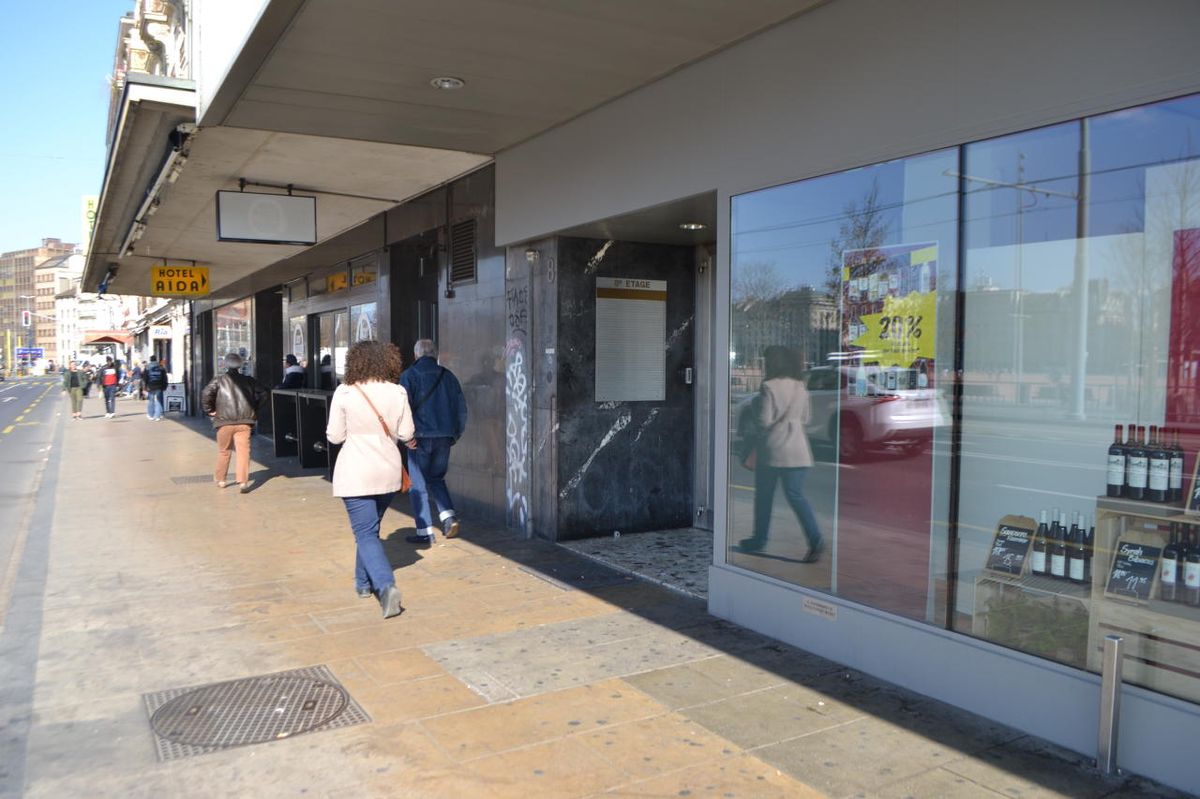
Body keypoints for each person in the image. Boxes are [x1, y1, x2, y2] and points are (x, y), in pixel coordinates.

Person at [325, 340, 414, 619]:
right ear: (389, 362)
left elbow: (335, 436)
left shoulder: (345, 392)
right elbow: (406, 432)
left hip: (356, 470)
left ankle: (386, 587)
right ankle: (363, 584)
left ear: (356, 362)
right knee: (370, 530)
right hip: (388, 468)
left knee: (364, 532)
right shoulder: (398, 392)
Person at [737, 345, 823, 562]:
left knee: (764, 497)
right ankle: (815, 540)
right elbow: (806, 418)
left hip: (773, 451)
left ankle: (758, 539)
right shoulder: (800, 387)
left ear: (773, 363)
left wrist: (756, 404)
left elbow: (763, 421)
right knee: (796, 496)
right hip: (799, 450)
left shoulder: (768, 387)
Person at [400, 339, 467, 544]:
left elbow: (402, 409)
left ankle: (424, 532)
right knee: (437, 478)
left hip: (418, 439)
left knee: (418, 484)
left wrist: (405, 437)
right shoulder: (449, 377)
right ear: (435, 354)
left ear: (416, 355)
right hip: (445, 437)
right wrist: (454, 434)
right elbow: (461, 409)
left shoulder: (409, 376)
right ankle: (449, 518)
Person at [201, 352, 269, 493]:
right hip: (244, 422)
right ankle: (243, 482)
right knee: (243, 452)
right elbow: (264, 393)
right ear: (240, 365)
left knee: (224, 451)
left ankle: (221, 480)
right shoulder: (249, 380)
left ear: (226, 364)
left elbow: (206, 394)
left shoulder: (219, 380)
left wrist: (210, 410)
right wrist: (254, 407)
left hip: (224, 421)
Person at [143, 355, 169, 420]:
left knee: (151, 400)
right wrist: (165, 385)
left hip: (150, 386)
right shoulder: (161, 367)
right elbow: (164, 377)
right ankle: (158, 416)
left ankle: (151, 415)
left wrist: (145, 386)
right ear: (156, 359)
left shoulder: (147, 367)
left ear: (150, 360)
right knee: (159, 400)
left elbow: (145, 377)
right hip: (159, 386)